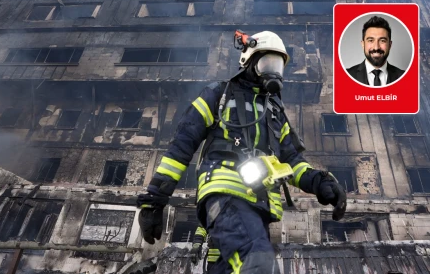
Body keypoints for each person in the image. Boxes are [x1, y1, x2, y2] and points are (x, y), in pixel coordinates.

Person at [136, 30, 347, 274]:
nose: (273, 71)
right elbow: (181, 146)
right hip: (225, 191)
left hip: (259, 204)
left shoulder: (276, 113)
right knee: (257, 263)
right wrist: (154, 199)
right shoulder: (219, 95)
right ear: (249, 60)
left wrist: (319, 182)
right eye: (268, 62)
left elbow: (292, 161)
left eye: (278, 65)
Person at [346, 15, 405, 87]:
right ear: (363, 44)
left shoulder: (404, 76)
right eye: (370, 40)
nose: (376, 47)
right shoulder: (347, 75)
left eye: (382, 41)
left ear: (390, 45)